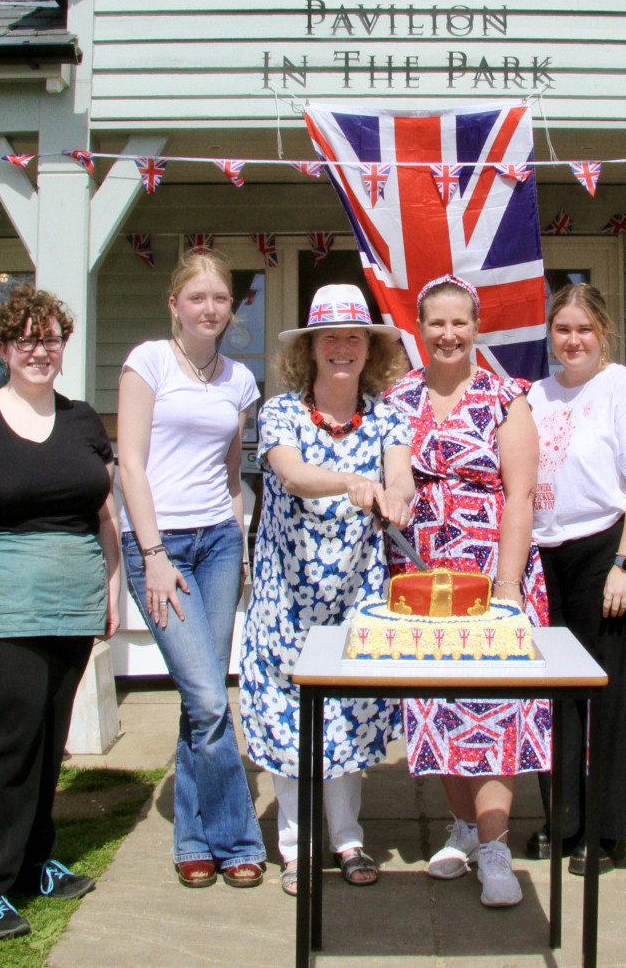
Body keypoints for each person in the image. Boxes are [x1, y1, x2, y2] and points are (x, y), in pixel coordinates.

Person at [0, 285, 119, 940]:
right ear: (4, 348)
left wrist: (112, 593)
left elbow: (104, 518)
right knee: (7, 744)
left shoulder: (85, 419)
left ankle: (34, 862)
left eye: (51, 338)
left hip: (72, 602)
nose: (40, 349)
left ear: (63, 347)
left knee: (47, 741)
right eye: (26, 339)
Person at [239, 284, 413, 896]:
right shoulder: (281, 411)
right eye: (330, 338)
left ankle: (348, 838)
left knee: (348, 711)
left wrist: (396, 495)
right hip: (286, 593)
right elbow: (291, 474)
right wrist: (350, 481)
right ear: (311, 349)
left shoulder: (389, 414)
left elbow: (401, 477)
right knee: (290, 714)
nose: (343, 348)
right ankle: (295, 847)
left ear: (371, 349)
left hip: (356, 590)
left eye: (354, 337)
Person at [384, 275, 548, 910]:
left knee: (495, 709)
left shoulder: (507, 398)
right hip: (420, 582)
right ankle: (461, 830)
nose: (448, 335)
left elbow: (521, 497)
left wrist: (507, 586)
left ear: (477, 329)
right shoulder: (397, 399)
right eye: (435, 324)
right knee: (438, 705)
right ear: (419, 330)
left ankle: (497, 846)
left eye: (460, 323)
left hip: (492, 577)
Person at [117, 249, 266, 890]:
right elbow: (129, 462)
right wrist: (152, 555)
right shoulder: (147, 362)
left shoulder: (239, 380)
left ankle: (193, 840)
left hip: (218, 544)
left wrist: (241, 536)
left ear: (232, 308)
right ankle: (238, 838)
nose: (210, 309)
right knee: (208, 697)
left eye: (220, 298)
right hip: (160, 546)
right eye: (197, 297)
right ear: (174, 304)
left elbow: (232, 471)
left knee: (198, 697)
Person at [526, 282, 626, 874]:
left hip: (611, 551)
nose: (573, 340)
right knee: (557, 698)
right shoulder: (534, 394)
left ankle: (608, 832)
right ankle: (565, 819)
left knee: (612, 697)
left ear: (603, 331)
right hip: (547, 557)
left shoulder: (625, 390)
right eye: (563, 329)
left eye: (584, 329)